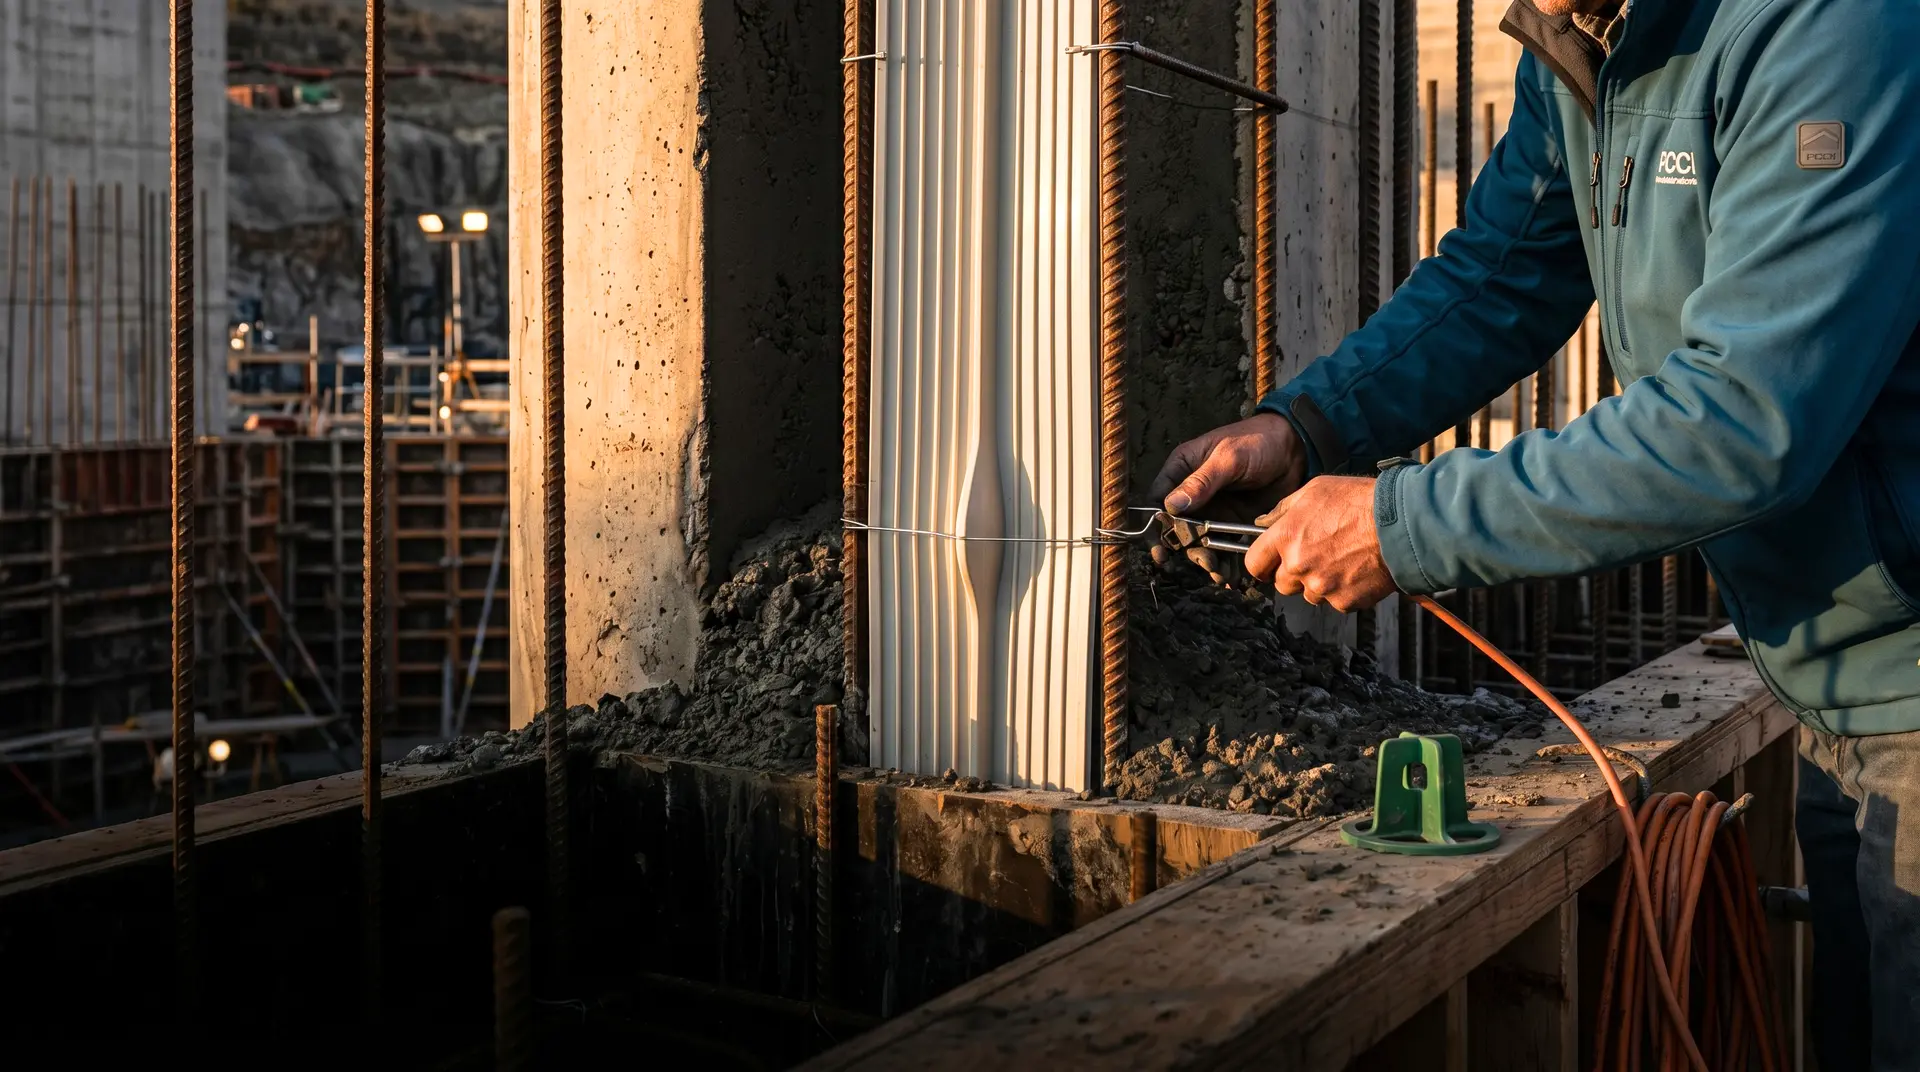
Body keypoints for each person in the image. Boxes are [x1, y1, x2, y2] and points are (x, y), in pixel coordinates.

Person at [1148, 0, 1920, 1067]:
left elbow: (1746, 421)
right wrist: (1305, 426)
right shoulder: (1580, 45)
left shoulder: (1835, 29)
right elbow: (1500, 274)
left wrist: (1404, 521)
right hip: (1842, 682)